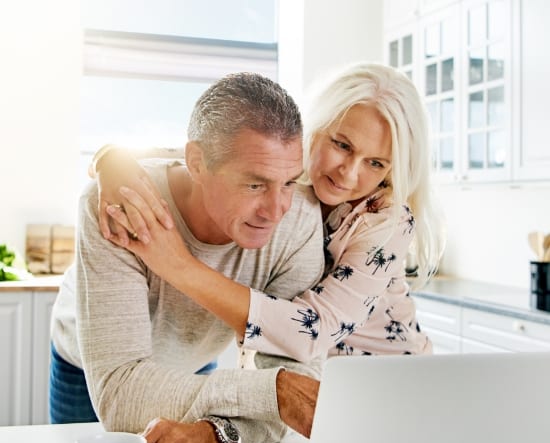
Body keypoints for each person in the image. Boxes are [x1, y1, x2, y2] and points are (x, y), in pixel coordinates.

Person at [49, 72, 325, 443]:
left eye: (289, 182)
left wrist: (219, 433)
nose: (277, 209)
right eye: (254, 184)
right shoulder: (120, 203)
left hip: (196, 364)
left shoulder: (301, 223)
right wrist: (275, 393)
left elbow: (298, 392)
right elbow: (120, 395)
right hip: (90, 370)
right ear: (196, 163)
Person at [100, 63, 445, 365]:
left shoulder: (387, 220)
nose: (349, 174)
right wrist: (112, 158)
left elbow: (313, 329)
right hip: (313, 382)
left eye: (375, 163)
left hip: (391, 375)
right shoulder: (290, 173)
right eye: (342, 145)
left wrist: (179, 265)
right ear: (315, 129)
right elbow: (218, 155)